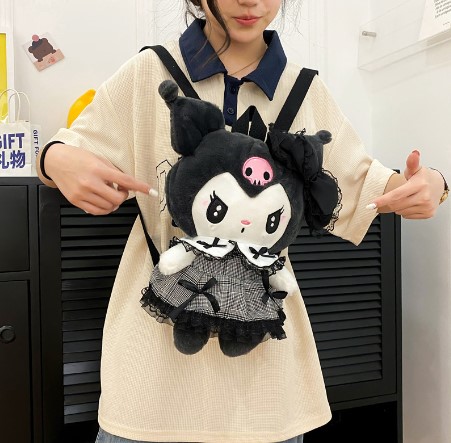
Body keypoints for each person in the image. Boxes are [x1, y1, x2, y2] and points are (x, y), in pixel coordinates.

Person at [37, 1, 448, 442]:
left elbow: (365, 186)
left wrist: (434, 184)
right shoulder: (150, 72)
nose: (251, 1)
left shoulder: (302, 89)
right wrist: (55, 159)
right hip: (150, 370)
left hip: (263, 379)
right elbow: (67, 150)